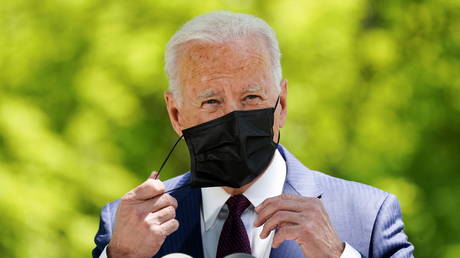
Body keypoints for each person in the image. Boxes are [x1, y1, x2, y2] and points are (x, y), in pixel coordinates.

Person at [93, 11, 414, 258]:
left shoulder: (368, 216)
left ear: (281, 103)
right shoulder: (125, 229)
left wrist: (335, 254)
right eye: (211, 101)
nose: (234, 119)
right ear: (176, 114)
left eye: (251, 98)